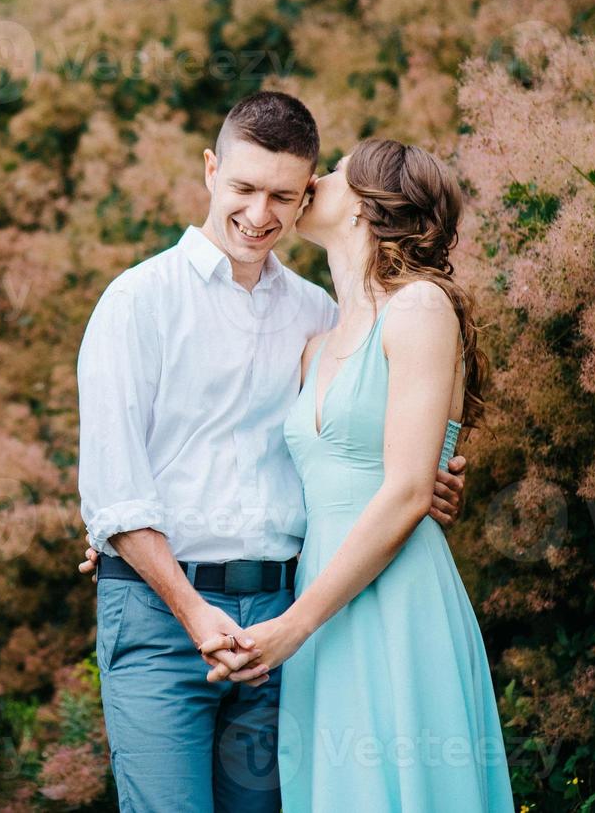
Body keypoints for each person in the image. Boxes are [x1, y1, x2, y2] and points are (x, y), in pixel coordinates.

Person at [75, 92, 469, 813]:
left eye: (285, 196)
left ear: (307, 195)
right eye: (244, 189)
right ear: (209, 170)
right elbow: (115, 490)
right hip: (164, 617)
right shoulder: (138, 301)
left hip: (284, 610)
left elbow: (357, 454)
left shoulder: (320, 318)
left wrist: (432, 477)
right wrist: (178, 596)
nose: (260, 215)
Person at [194, 138, 515, 811]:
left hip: (395, 601)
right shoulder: (315, 345)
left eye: (334, 173)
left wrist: (291, 627)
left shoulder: (422, 308)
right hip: (323, 608)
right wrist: (117, 526)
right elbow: (234, 458)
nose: (315, 181)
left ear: (368, 208)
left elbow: (404, 490)